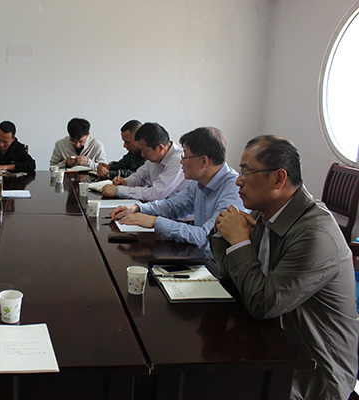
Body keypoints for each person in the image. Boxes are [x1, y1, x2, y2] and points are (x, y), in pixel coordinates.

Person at [210, 135, 359, 399]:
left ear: (278, 179)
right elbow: (232, 278)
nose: (238, 181)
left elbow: (263, 305)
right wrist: (225, 233)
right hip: (273, 342)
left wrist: (240, 242)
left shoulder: (315, 235)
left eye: (246, 172)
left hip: (315, 373)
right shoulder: (263, 212)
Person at [110, 127, 244, 251]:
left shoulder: (234, 189)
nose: (181, 161)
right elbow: (172, 206)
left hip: (215, 264)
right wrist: (137, 208)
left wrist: (154, 222)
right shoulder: (198, 183)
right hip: (199, 255)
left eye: (185, 156)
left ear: (204, 161)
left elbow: (206, 237)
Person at [102, 122, 189, 202]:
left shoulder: (178, 161)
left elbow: (155, 194)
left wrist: (118, 191)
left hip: (174, 212)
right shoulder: (154, 157)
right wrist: (125, 182)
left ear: (160, 148)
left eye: (144, 150)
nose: (142, 155)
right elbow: (140, 176)